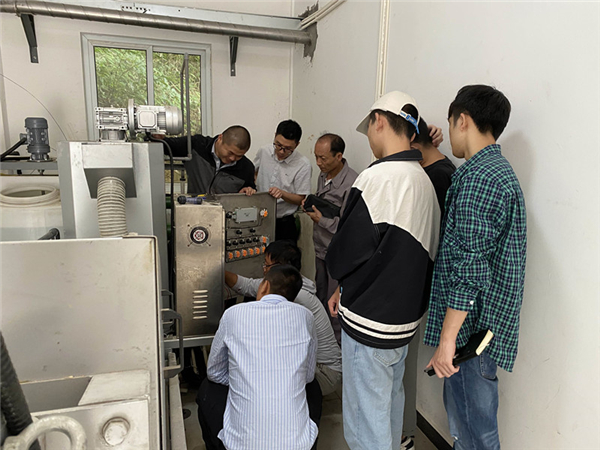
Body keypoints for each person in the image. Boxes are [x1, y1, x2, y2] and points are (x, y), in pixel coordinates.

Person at [326, 91, 440, 450]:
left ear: (378, 121)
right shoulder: (423, 180)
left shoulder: (379, 178)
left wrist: (340, 281)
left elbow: (343, 255)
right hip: (403, 322)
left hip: (369, 322)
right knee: (389, 406)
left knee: (365, 423)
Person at [424, 85, 527, 450]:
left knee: (474, 435)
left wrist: (447, 341)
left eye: (451, 122)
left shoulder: (481, 180)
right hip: (476, 332)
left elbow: (470, 269)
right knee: (470, 429)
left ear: (463, 120)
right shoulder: (492, 172)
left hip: (471, 336)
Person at [197, 264, 319, 450]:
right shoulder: (306, 317)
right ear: (293, 296)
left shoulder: (233, 314)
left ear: (264, 286)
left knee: (207, 387)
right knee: (314, 388)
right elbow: (308, 376)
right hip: (299, 446)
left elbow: (214, 372)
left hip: (240, 445)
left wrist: (243, 379)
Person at [400, 117, 456, 450]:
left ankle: (404, 434)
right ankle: (404, 430)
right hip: (418, 283)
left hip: (421, 285)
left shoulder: (438, 178)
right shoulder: (436, 170)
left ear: (413, 144)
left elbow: (431, 238)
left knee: (403, 364)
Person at [225, 240, 342, 396]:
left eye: (267, 265)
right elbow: (247, 286)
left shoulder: (296, 296)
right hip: (318, 368)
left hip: (325, 373)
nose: (264, 270)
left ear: (280, 267)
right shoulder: (290, 284)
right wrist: (219, 271)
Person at [304, 133, 358, 343]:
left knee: (334, 303)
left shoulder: (352, 183)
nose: (318, 163)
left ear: (339, 156)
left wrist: (321, 220)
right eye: (316, 157)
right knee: (320, 297)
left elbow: (349, 227)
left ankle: (336, 348)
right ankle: (322, 343)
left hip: (338, 253)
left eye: (323, 158)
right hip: (320, 248)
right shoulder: (323, 175)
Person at [254, 120, 312, 241]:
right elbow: (254, 171)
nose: (281, 151)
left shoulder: (303, 165)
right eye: (278, 145)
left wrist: (282, 194)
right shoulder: (264, 151)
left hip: (284, 223)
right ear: (275, 136)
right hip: (258, 218)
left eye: (288, 148)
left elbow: (300, 199)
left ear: (297, 145)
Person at [160, 125, 256, 195]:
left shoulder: (247, 168)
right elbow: (166, 145)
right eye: (230, 152)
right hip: (194, 211)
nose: (232, 158)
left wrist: (247, 191)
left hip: (226, 214)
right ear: (220, 138)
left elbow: (249, 192)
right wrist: (157, 137)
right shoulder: (196, 146)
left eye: (239, 156)